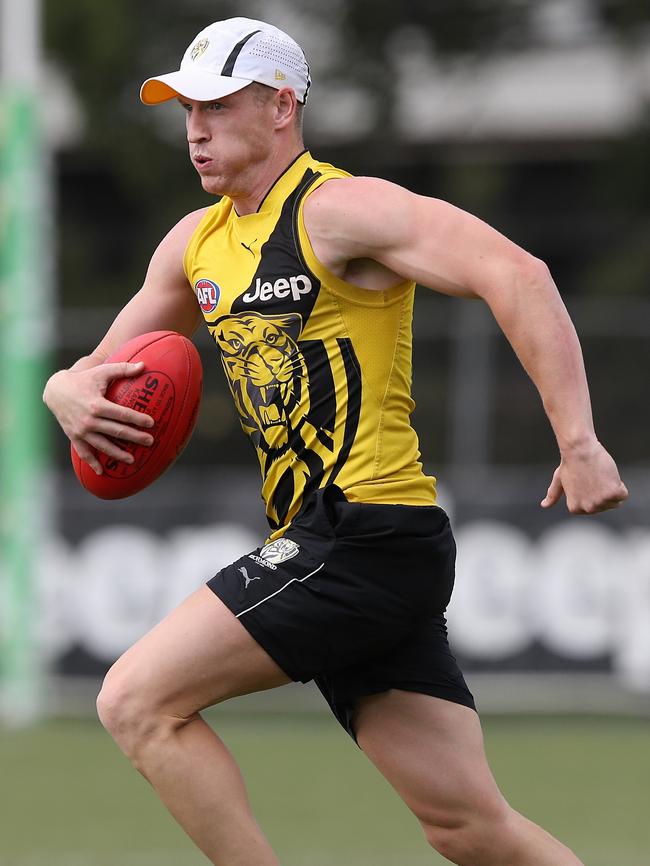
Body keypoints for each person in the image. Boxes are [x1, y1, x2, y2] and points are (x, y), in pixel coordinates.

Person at [44, 16, 628, 866]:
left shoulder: (339, 210)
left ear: (282, 106)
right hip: (350, 543)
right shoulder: (195, 242)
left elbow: (517, 273)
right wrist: (62, 389)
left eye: (217, 103)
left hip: (363, 531)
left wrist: (578, 440)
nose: (194, 127)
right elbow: (93, 372)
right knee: (470, 829)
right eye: (185, 108)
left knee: (136, 701)